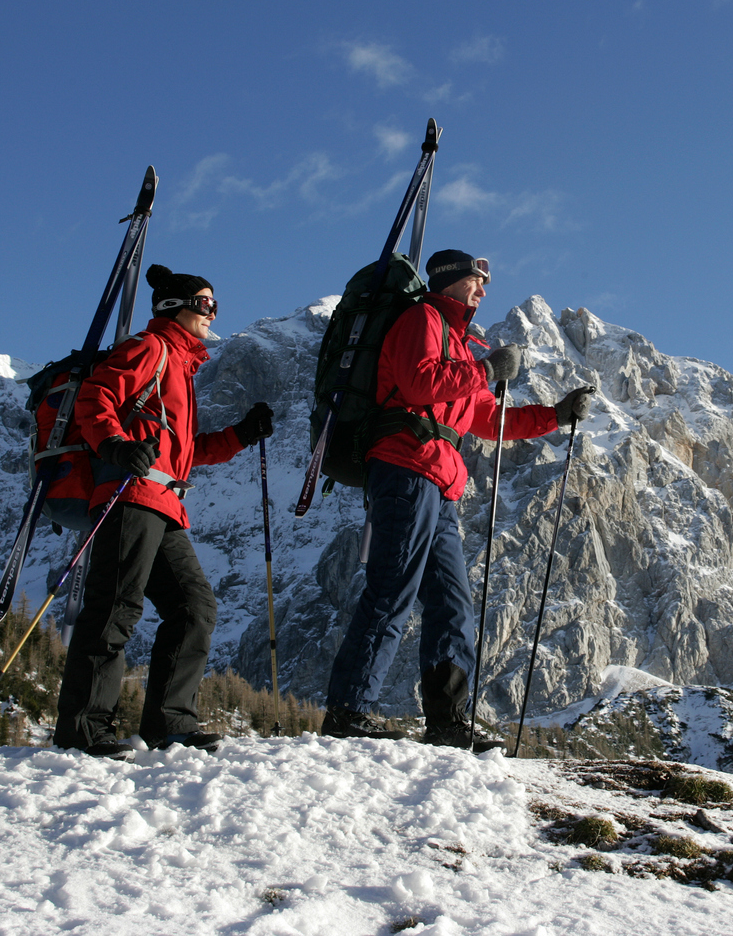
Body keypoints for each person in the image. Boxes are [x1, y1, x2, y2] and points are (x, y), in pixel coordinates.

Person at [322, 249, 593, 748]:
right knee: (392, 588)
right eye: (477, 280)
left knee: (452, 605)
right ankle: (348, 710)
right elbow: (419, 382)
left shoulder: (464, 343)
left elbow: (490, 420)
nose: (483, 290)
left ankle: (446, 722)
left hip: (441, 482)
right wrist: (486, 370)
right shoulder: (420, 318)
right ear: (450, 280)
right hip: (405, 467)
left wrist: (555, 415)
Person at [53, 264, 275, 758]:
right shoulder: (149, 349)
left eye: (214, 304)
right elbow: (96, 398)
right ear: (174, 307)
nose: (212, 312)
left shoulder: (180, 365)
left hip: (165, 502)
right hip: (129, 494)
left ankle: (169, 724)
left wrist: (241, 434)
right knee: (115, 606)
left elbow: (185, 451)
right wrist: (113, 444)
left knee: (194, 607)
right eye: (205, 303)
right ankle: (83, 729)